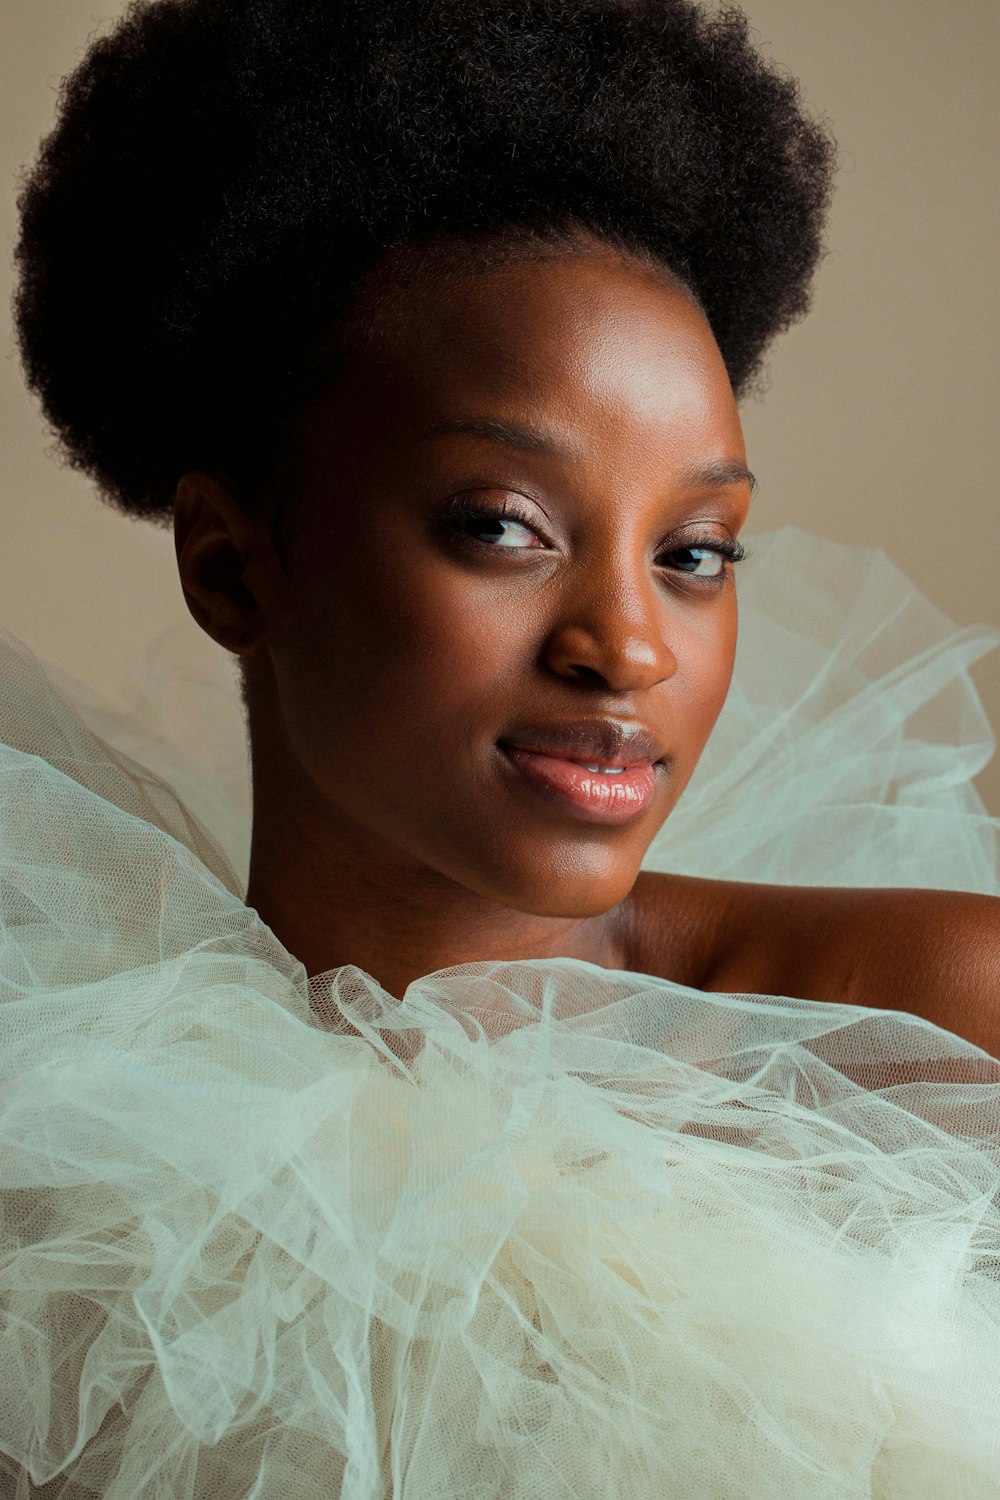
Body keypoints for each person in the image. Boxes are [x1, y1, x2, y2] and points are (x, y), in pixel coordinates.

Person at [1, 0, 998, 1495]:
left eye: (698, 552)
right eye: (503, 528)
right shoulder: (66, 1168)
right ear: (231, 566)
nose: (631, 646)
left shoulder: (934, 1030)